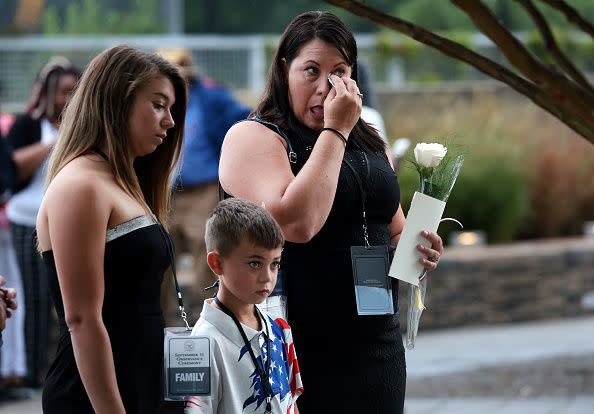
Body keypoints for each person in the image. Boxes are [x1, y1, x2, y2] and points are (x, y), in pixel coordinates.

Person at [218, 11, 444, 413]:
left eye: (339, 71)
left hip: (377, 345)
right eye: (311, 71)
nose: (325, 87)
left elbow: (393, 230)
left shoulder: (371, 140)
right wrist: (336, 131)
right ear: (284, 70)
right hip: (296, 345)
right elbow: (296, 223)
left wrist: (420, 249)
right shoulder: (253, 137)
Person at [35, 45, 187, 413]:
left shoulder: (124, 180)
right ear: (118, 100)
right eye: (158, 104)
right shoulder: (81, 185)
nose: (169, 121)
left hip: (142, 385)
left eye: (171, 109)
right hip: (98, 397)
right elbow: (82, 319)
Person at [185, 198, 302, 414]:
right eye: (255, 263)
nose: (267, 277)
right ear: (216, 263)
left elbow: (290, 403)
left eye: (274, 263)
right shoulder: (203, 344)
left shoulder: (279, 328)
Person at [157, 48, 251, 318]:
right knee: (160, 262)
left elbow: (245, 120)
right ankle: (160, 328)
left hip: (202, 191)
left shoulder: (209, 95)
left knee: (206, 259)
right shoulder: (154, 97)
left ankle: (210, 325)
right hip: (165, 191)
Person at [5, 56, 80, 388]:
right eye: (63, 90)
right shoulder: (29, 124)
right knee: (32, 298)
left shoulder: (85, 126)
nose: (68, 98)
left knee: (65, 299)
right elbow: (12, 166)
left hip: (68, 222)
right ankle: (31, 374)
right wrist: (56, 141)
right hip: (26, 220)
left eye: (74, 91)